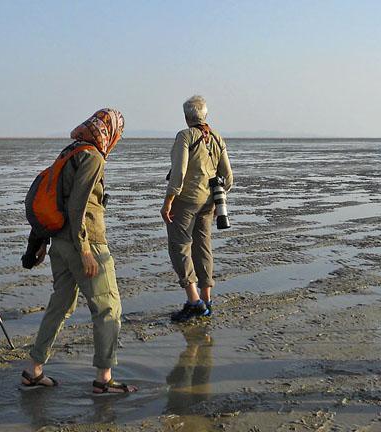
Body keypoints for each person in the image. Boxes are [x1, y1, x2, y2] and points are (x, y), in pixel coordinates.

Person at [20, 108, 137, 394]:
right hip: (85, 243)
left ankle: (34, 369)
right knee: (108, 307)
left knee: (61, 304)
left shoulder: (70, 151)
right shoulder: (93, 157)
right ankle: (104, 378)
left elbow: (52, 196)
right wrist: (85, 250)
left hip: (58, 243)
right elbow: (78, 206)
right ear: (110, 133)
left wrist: (38, 242)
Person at [161, 95, 234, 322]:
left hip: (186, 200)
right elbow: (228, 177)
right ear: (205, 115)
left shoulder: (185, 136)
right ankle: (207, 299)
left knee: (179, 246)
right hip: (209, 202)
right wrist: (218, 198)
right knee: (203, 247)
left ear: (186, 117)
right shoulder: (216, 137)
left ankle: (194, 302)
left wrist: (168, 201)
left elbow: (179, 172)